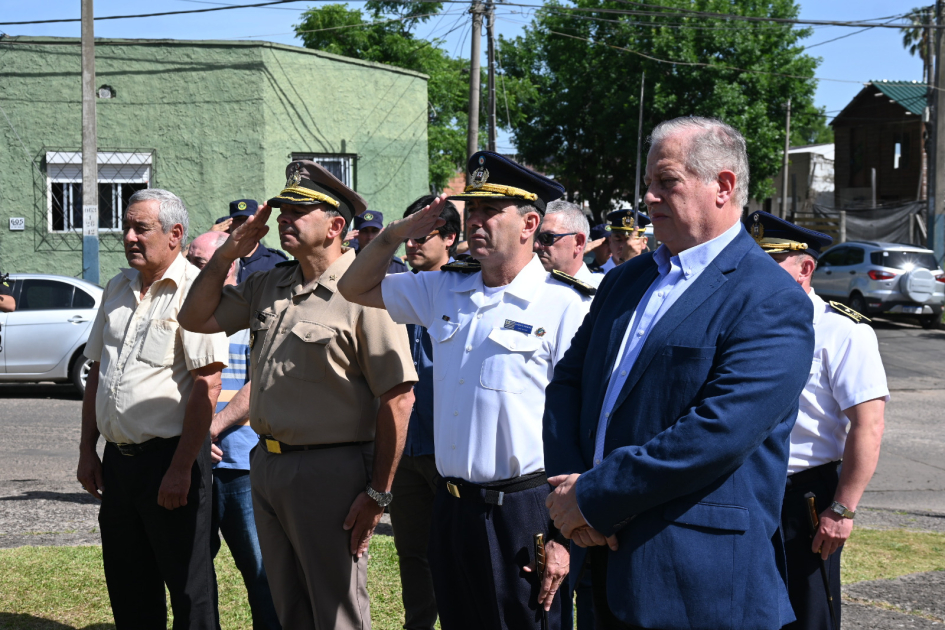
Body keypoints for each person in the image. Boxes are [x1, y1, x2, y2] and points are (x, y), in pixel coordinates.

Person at [543, 117, 815, 630]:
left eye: (666, 182)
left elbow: (717, 433)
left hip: (695, 582)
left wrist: (594, 497)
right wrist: (569, 495)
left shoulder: (770, 297)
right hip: (597, 559)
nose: (648, 197)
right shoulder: (624, 282)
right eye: (648, 183)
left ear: (724, 186)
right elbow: (568, 385)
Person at [338, 151, 595, 630]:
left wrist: (564, 536)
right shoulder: (445, 288)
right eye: (471, 210)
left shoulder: (565, 305)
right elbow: (355, 286)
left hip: (524, 513)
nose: (475, 221)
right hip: (452, 506)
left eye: (489, 211)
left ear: (529, 223)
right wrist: (396, 233)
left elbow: (583, 421)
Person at [178, 160, 418, 630]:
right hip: (266, 466)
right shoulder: (271, 283)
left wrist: (378, 494)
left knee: (336, 612)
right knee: (290, 608)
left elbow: (398, 399)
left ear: (335, 226)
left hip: (332, 470)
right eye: (283, 209)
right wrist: (226, 255)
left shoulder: (365, 293)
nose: (284, 218)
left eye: (298, 210)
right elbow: (196, 318)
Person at [76, 189, 229, 630]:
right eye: (125, 227)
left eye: (140, 228)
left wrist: (182, 469)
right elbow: (98, 374)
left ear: (175, 234)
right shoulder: (117, 287)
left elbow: (208, 382)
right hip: (120, 467)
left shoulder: (196, 290)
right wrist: (88, 450)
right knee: (129, 588)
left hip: (172, 460)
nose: (129, 237)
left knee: (189, 591)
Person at [746, 211, 888, 630]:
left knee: (808, 615)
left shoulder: (842, 331)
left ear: (805, 268)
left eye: (768, 262)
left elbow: (869, 425)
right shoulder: (743, 324)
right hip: (746, 488)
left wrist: (842, 508)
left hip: (804, 498)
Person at [186, 232, 282, 630]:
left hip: (241, 466)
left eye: (199, 261)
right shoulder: (187, 320)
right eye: (191, 259)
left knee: (261, 574)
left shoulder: (249, 316)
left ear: (228, 269)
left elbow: (257, 383)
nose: (191, 268)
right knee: (194, 576)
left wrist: (209, 430)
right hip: (193, 465)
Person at [390, 195, 462, 630]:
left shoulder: (464, 288)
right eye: (408, 236)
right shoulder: (400, 290)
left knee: (455, 551)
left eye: (424, 235)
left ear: (450, 238)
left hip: (449, 449)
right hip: (405, 446)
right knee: (411, 553)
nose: (412, 245)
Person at [536, 200, 603, 289]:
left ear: (578, 243)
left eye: (546, 238)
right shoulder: (527, 286)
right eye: (534, 237)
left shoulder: (603, 291)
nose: (536, 245)